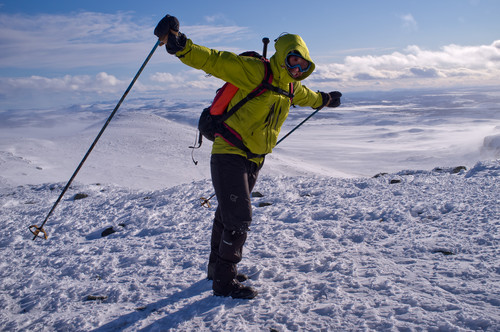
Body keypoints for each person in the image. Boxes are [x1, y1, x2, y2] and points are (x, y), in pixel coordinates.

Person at [154, 15, 342, 299]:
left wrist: (325, 99)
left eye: (303, 64)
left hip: (255, 157)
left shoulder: (290, 88)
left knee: (227, 214)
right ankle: (224, 284)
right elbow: (215, 60)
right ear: (282, 58)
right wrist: (180, 45)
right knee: (239, 218)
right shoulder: (255, 71)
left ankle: (216, 269)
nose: (297, 68)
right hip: (228, 151)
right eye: (293, 61)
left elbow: (309, 97)